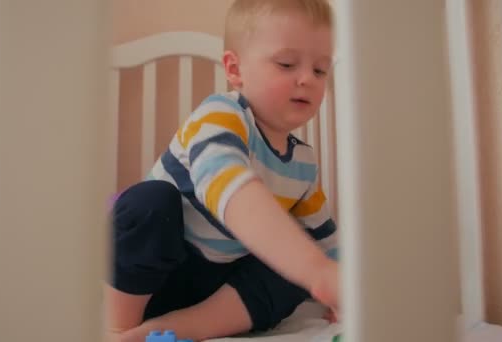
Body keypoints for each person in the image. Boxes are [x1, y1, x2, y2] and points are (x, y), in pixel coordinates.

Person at [107, 1, 339, 340]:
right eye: (287, 64)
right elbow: (226, 182)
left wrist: (341, 284)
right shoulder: (220, 115)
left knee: (296, 265)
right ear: (235, 70)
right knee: (148, 203)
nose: (306, 79)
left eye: (320, 70)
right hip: (153, 277)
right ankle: (120, 328)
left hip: (217, 293)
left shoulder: (303, 163)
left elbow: (325, 237)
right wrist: (318, 271)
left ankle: (166, 330)